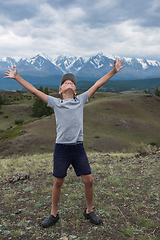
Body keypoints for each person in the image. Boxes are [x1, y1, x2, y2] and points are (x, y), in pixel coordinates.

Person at [4, 58, 125, 228]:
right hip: (61, 148)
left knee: (89, 180)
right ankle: (54, 214)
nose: (69, 83)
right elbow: (33, 91)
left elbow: (97, 84)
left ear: (75, 91)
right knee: (58, 182)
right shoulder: (56, 103)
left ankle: (89, 210)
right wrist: (17, 77)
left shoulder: (81, 100)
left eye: (72, 83)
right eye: (65, 82)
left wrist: (113, 71)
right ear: (60, 91)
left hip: (78, 148)